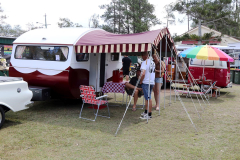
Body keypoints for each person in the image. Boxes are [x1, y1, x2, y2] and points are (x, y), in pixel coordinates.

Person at [139, 51, 155, 119]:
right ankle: (146, 111)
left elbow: (143, 73)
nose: (142, 57)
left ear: (145, 56)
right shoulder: (152, 62)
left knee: (148, 98)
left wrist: (141, 81)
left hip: (146, 82)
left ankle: (149, 114)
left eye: (142, 56)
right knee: (147, 98)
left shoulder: (144, 62)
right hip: (151, 81)